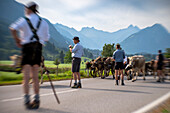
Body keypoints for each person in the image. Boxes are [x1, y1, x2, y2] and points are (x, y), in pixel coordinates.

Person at [9, 2, 50, 109]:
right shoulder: (44, 22)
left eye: (25, 9)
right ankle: (36, 99)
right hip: (38, 49)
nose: (25, 11)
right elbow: (46, 38)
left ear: (28, 9)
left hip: (27, 48)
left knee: (26, 76)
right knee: (35, 77)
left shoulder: (24, 20)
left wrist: (18, 40)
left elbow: (12, 29)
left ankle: (27, 100)